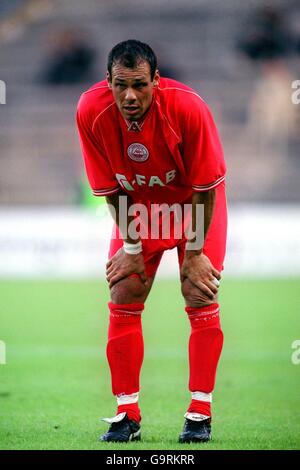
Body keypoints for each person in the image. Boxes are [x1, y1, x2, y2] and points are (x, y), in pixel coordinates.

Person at [76, 39, 227, 443]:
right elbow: (109, 188)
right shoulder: (90, 111)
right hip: (139, 206)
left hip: (194, 204)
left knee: (199, 292)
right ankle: (127, 414)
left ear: (155, 81)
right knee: (123, 289)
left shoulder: (187, 107)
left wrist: (193, 254)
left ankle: (200, 412)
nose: (129, 95)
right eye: (121, 85)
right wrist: (130, 248)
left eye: (139, 85)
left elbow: (204, 188)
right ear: (107, 81)